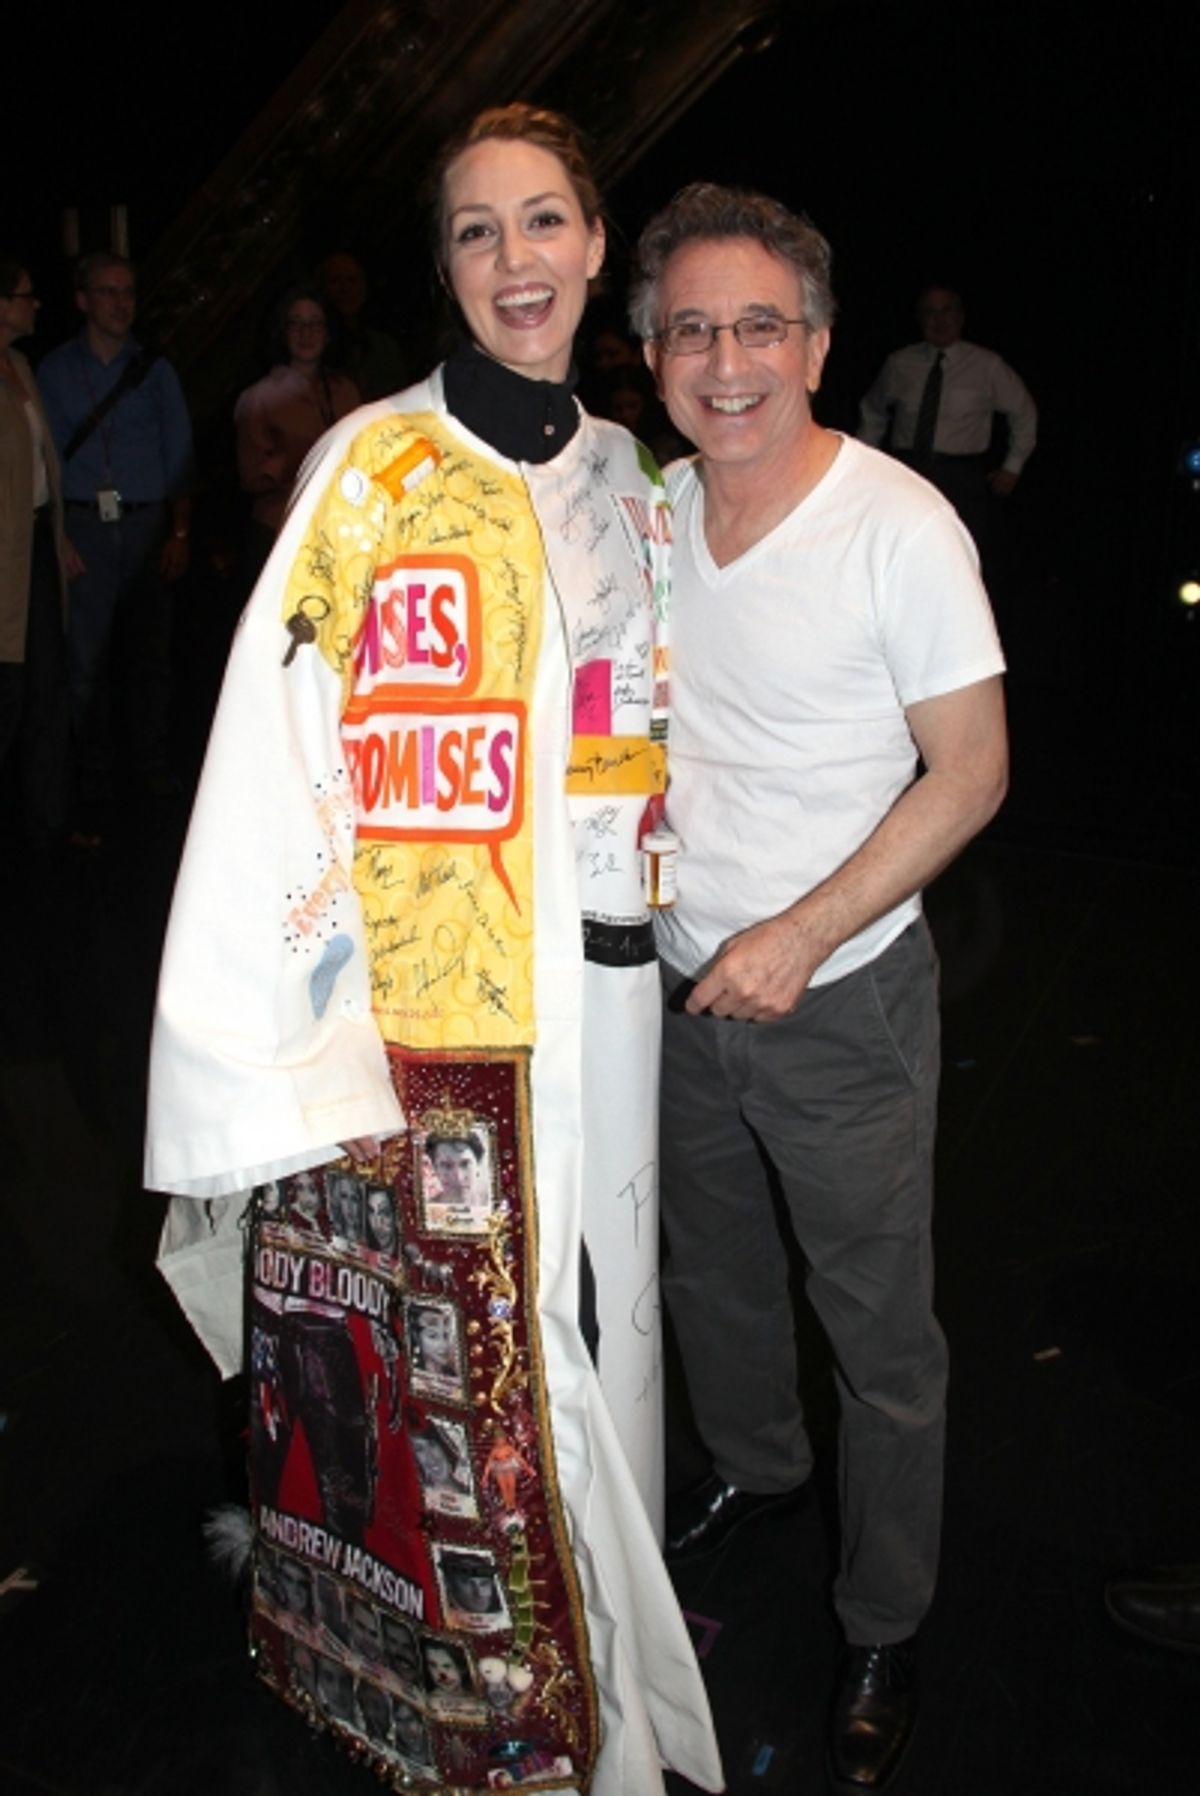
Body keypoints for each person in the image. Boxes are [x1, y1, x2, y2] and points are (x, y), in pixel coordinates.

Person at [146, 103, 721, 1796]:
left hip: (607, 989)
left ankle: (611, 1665)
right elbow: (278, 749)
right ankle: (536, 1721)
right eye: (477, 232)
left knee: (605, 1320)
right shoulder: (373, 470)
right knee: (493, 1347)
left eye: (544, 222)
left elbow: (656, 726)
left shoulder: (627, 478)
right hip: (436, 1015)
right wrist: (279, 1040)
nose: (516, 260)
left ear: (598, 243)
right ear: (446, 268)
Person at [631, 183, 1008, 1795]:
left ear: (820, 343)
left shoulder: (901, 525)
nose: (729, 363)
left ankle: (882, 1615)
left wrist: (799, 928)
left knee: (879, 1335)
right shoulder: (652, 512)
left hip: (839, 995)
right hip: (675, 982)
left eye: (760, 327)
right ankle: (762, 1474)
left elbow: (974, 769)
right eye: (693, 330)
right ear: (650, 352)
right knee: (712, 1274)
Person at [37, 252, 193, 842]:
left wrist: (180, 531)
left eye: (128, 292)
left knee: (150, 654)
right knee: (86, 659)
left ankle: (149, 765)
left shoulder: (155, 370)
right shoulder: (52, 371)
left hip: (146, 523)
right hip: (85, 528)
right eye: (108, 292)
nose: (120, 303)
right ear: (82, 299)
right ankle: (90, 771)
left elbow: (179, 456)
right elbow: (44, 459)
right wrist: (58, 536)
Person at [857, 284, 1036, 548]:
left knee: (958, 551)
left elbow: (1024, 413)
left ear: (960, 317)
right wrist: (864, 461)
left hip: (961, 477)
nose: (938, 320)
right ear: (919, 319)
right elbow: (873, 411)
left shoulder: (987, 365)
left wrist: (1012, 467)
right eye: (929, 313)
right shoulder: (900, 363)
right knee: (900, 545)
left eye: (946, 311)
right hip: (908, 470)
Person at [0, 257, 72, 848]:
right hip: (5, 559)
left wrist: (60, 536)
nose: (35, 304)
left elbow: (42, 470)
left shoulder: (21, 364)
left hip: (37, 548)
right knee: (10, 690)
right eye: (26, 295)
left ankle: (46, 829)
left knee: (48, 689)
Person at [233, 284, 360, 585]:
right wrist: (300, 460)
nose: (306, 333)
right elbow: (251, 476)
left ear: (328, 332)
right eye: (296, 324)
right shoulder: (260, 398)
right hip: (280, 531)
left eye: (315, 324)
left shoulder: (346, 391)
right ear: (283, 331)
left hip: (338, 528)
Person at [318, 251, 407, 402]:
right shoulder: (315, 357)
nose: (345, 288)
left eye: (352, 280)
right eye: (335, 281)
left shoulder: (385, 347)